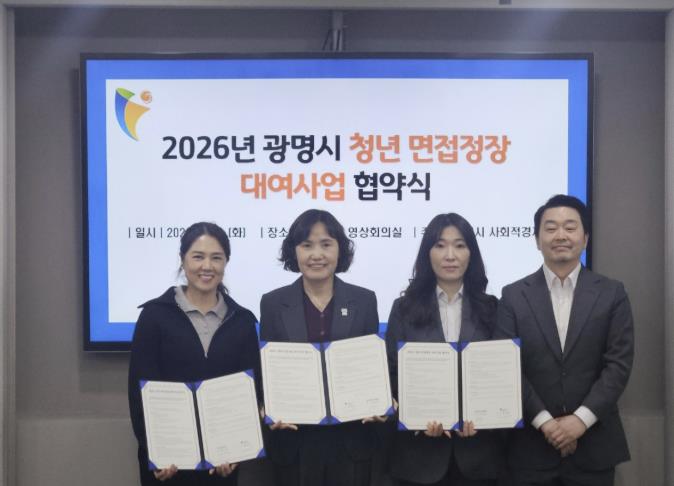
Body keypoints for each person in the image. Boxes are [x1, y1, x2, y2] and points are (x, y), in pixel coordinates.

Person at [497, 195, 634, 486]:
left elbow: (618, 366)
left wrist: (580, 420)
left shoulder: (612, 293)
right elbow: (507, 367)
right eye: (551, 228)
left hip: (594, 448)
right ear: (537, 240)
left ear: (585, 238)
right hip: (530, 449)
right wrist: (546, 423)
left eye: (570, 227)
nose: (560, 235)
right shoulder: (512, 296)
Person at [128, 222, 260, 486]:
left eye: (216, 258)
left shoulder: (243, 321)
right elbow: (138, 393)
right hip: (167, 465)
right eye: (198, 256)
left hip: (222, 464)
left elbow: (251, 393)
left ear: (226, 262)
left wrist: (237, 451)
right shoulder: (154, 316)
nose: (207, 266)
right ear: (183, 259)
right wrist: (156, 453)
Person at [259, 209, 381, 486]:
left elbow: (372, 369)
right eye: (307, 245)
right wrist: (269, 409)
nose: (317, 255)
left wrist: (377, 401)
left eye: (326, 244)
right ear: (294, 251)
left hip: (351, 440)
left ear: (340, 249)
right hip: (294, 441)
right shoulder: (273, 303)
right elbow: (269, 371)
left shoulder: (364, 300)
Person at [385, 212, 506, 486]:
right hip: (419, 458)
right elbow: (391, 373)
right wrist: (415, 417)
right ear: (427, 254)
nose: (450, 255)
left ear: (471, 253)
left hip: (479, 457)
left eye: (460, 245)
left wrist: (484, 416)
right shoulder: (403, 309)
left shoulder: (492, 308)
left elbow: (500, 375)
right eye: (440, 245)